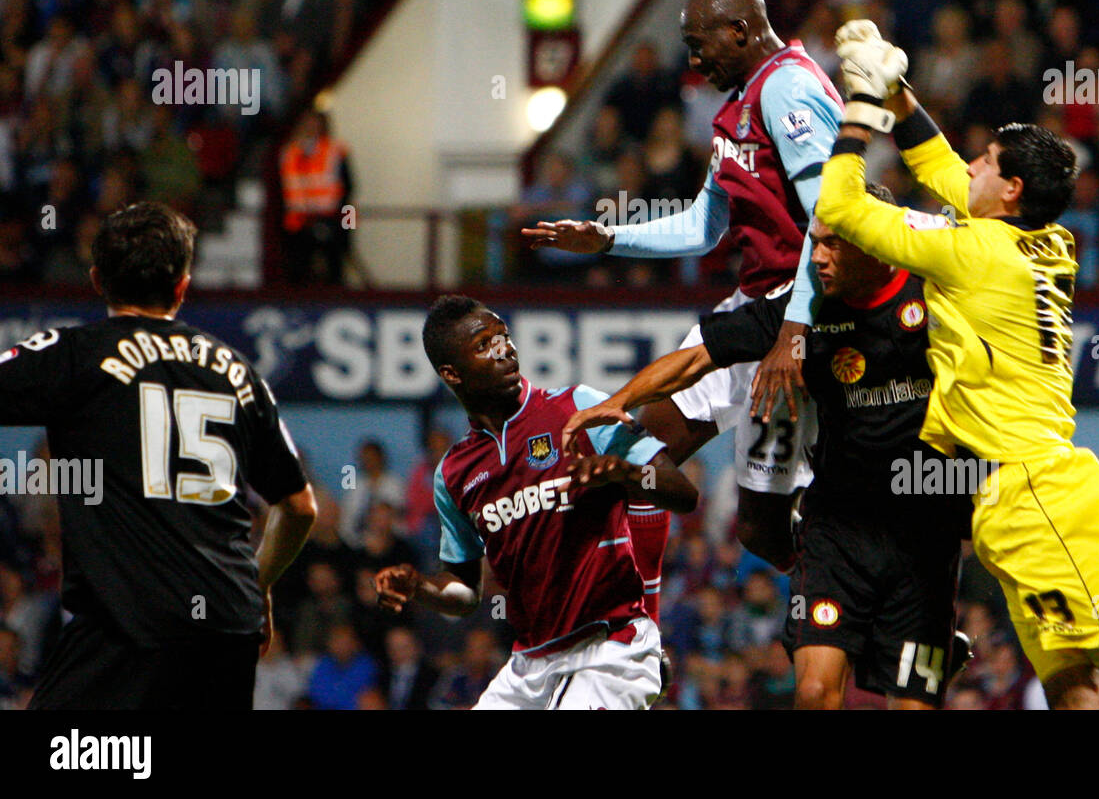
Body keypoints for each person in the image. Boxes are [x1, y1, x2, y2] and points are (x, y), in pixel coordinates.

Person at [814, 18, 1099, 709]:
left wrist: (862, 105)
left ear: (1009, 192)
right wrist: (898, 91)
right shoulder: (1049, 242)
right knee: (1073, 690)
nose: (968, 166)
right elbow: (942, 170)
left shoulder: (973, 253)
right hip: (1028, 496)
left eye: (984, 161)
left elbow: (838, 205)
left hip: (1039, 498)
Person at [563, 198, 970, 710]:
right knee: (815, 691)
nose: (815, 257)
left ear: (878, 242)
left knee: (913, 703)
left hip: (923, 538)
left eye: (830, 244)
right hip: (836, 531)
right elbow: (694, 360)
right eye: (813, 242)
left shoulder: (939, 294)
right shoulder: (801, 313)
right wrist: (622, 400)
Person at [523, 0, 844, 593]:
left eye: (700, 45)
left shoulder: (790, 90)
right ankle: (616, 607)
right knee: (642, 450)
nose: (694, 62)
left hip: (797, 318)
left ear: (741, 30)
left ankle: (866, 600)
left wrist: (795, 335)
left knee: (760, 527)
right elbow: (704, 225)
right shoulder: (739, 106)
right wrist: (608, 238)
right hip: (753, 307)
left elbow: (832, 226)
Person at [0, 202, 317, 709]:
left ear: (97, 278)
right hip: (228, 628)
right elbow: (299, 506)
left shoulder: (74, 355)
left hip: (126, 631)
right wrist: (259, 584)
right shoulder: (240, 372)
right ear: (182, 285)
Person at [372, 295, 697, 710]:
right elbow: (464, 593)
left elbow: (683, 494)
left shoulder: (576, 407)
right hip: (529, 665)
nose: (504, 350)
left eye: (503, 337)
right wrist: (419, 586)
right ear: (452, 373)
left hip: (613, 649)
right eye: (484, 345)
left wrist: (623, 473)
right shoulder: (454, 474)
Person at [279, 108, 352, 284]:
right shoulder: (290, 152)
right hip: (298, 220)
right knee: (297, 269)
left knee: (334, 266)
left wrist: (344, 222)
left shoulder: (335, 151)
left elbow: (348, 186)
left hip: (329, 218)